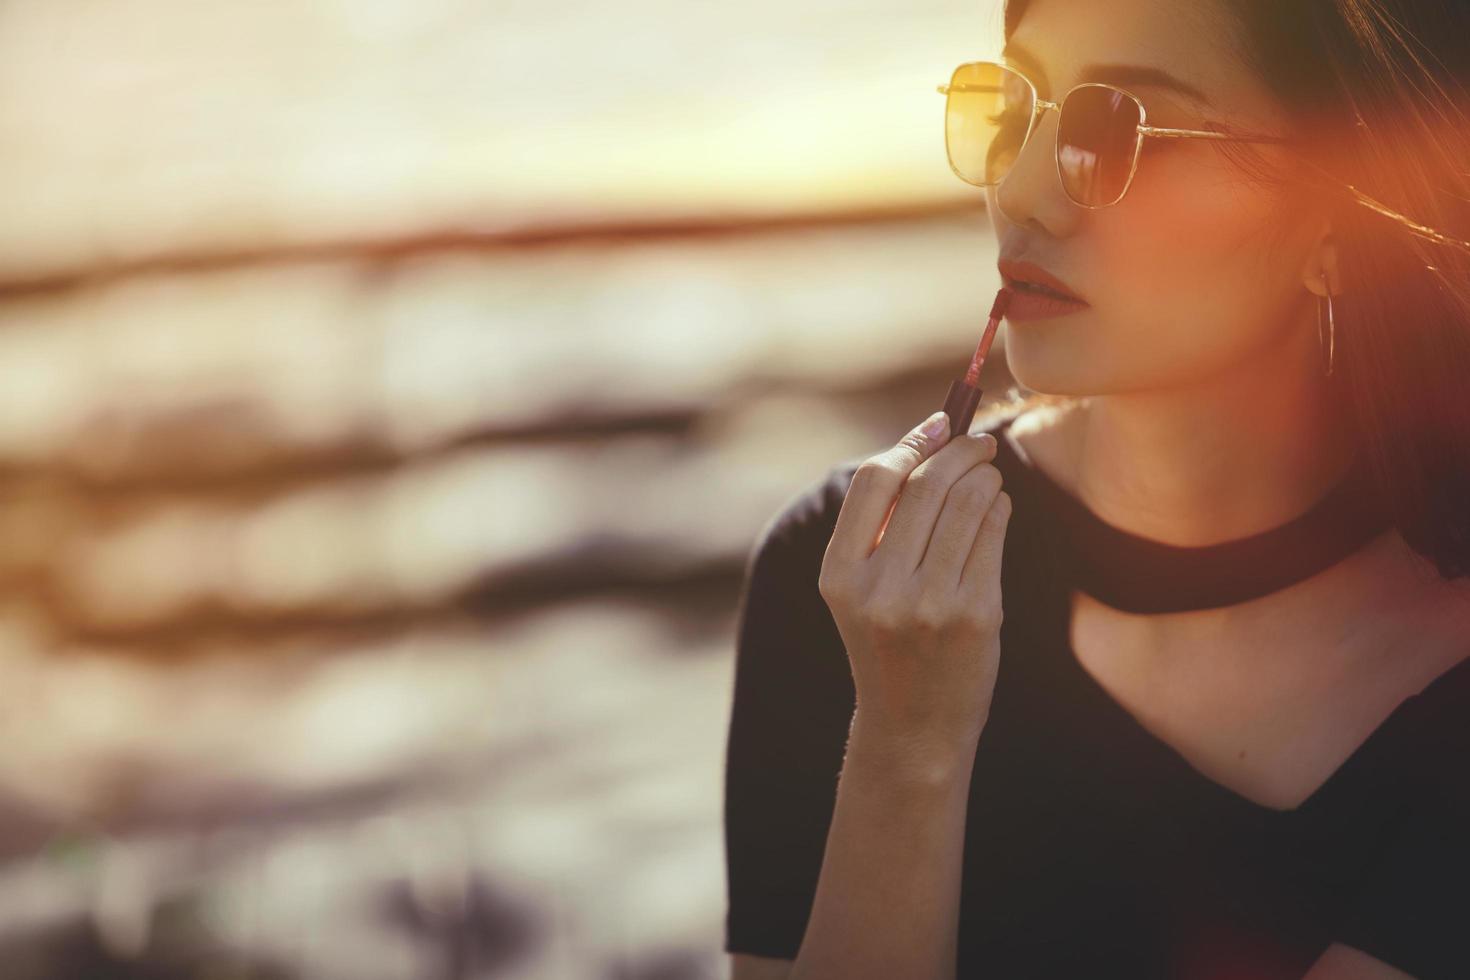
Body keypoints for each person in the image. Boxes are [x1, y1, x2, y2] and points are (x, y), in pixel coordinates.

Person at [722, 0, 1470, 977]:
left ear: (1336, 214)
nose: (1022, 191)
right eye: (1017, 108)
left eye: (1116, 128)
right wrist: (901, 753)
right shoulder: (854, 587)